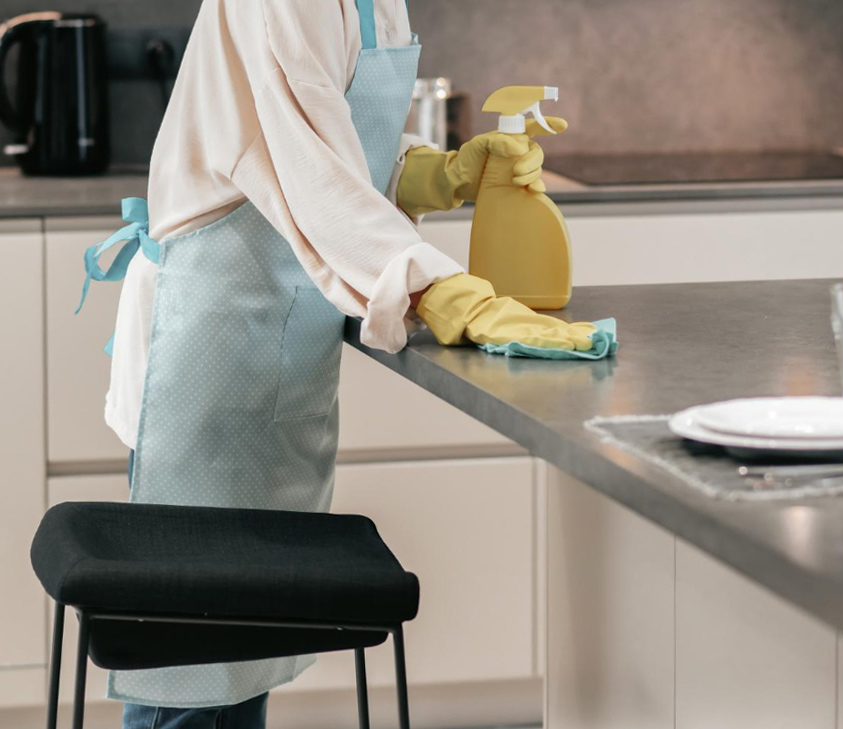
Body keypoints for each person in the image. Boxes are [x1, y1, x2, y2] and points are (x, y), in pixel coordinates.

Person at [78, 1, 595, 727]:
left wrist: (428, 173)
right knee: (190, 656)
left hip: (284, 337)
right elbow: (305, 169)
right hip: (212, 334)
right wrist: (430, 284)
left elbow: (338, 139)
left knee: (246, 632)